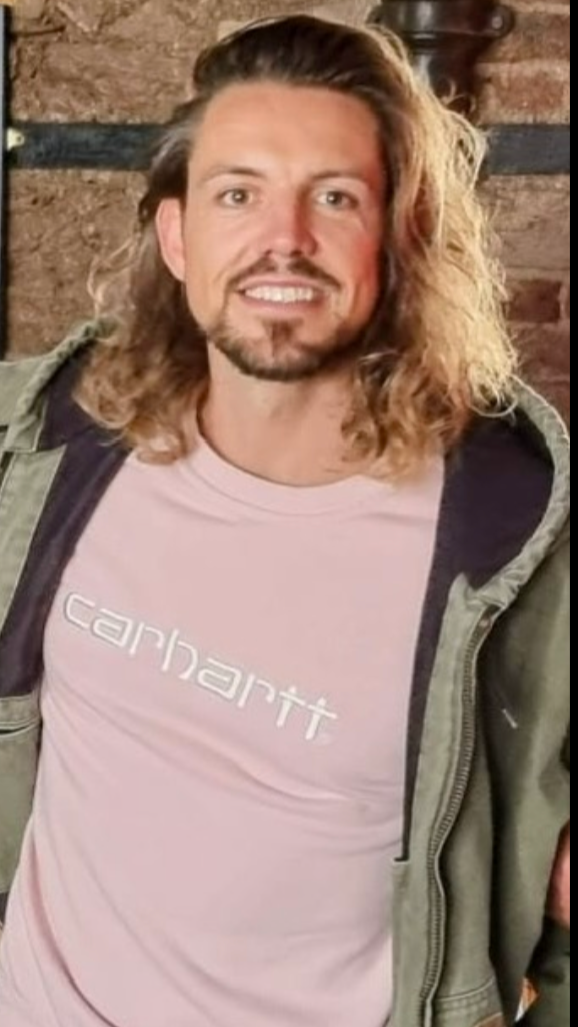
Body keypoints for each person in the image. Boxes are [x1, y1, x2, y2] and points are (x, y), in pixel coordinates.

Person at [0, 14, 569, 1027]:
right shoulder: (50, 439)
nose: (285, 240)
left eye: (335, 197)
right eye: (238, 193)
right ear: (177, 236)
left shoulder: (515, 535)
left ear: (398, 238)